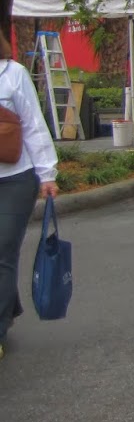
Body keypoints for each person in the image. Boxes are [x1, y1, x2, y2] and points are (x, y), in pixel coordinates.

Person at [0, 33, 58, 361]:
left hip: (13, 178)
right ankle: (9, 303)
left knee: (2, 251)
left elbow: (35, 125)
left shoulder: (13, 74)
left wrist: (46, 173)